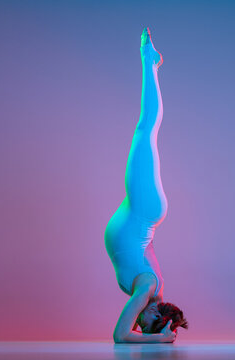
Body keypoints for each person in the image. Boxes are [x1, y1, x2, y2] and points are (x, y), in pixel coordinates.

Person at [104, 27, 188, 344]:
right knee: (145, 128)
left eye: (145, 327)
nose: (141, 322)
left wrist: (164, 333)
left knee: (146, 130)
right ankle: (149, 59)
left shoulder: (153, 287)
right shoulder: (147, 290)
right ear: (158, 314)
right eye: (149, 323)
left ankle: (149, 60)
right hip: (142, 211)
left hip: (143, 214)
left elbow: (146, 248)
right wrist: (162, 339)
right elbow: (119, 336)